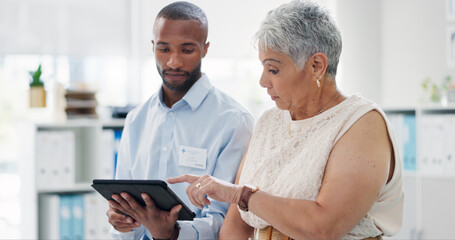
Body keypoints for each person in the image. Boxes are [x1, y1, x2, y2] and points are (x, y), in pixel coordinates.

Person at [168, 1, 404, 239]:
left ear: (316, 66)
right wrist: (238, 197)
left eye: (273, 70)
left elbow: (324, 227)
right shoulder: (269, 123)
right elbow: (237, 225)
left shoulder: (360, 124)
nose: (263, 81)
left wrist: (242, 195)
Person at [106, 2, 254, 239]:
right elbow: (122, 201)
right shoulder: (136, 120)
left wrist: (173, 233)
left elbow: (228, 221)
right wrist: (120, 219)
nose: (173, 62)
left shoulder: (235, 122)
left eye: (186, 50)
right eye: (164, 49)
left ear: (205, 49)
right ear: (153, 46)